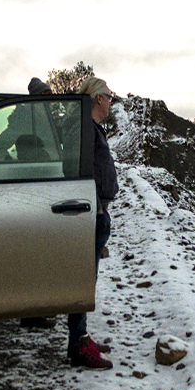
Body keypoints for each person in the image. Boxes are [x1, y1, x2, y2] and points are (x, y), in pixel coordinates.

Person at [66, 76, 118, 369]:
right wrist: (97, 208)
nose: (111, 101)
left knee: (87, 279)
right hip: (91, 214)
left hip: (95, 212)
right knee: (83, 279)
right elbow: (80, 169)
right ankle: (77, 344)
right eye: (108, 96)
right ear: (98, 99)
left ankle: (81, 337)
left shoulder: (89, 127)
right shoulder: (84, 128)